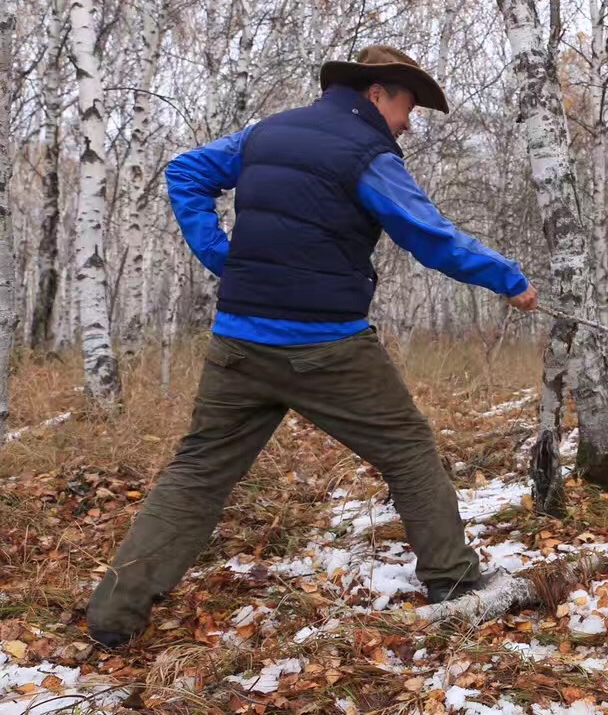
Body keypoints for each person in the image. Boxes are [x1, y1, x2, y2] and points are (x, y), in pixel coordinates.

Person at [87, 45, 537, 647]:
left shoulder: (266, 133)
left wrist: (225, 257)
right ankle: (455, 585)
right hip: (327, 347)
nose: (408, 122)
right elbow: (429, 235)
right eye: (408, 106)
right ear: (376, 92)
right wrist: (507, 279)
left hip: (238, 342)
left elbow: (186, 171)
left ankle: (112, 618)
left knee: (196, 475)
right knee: (407, 449)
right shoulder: (368, 154)